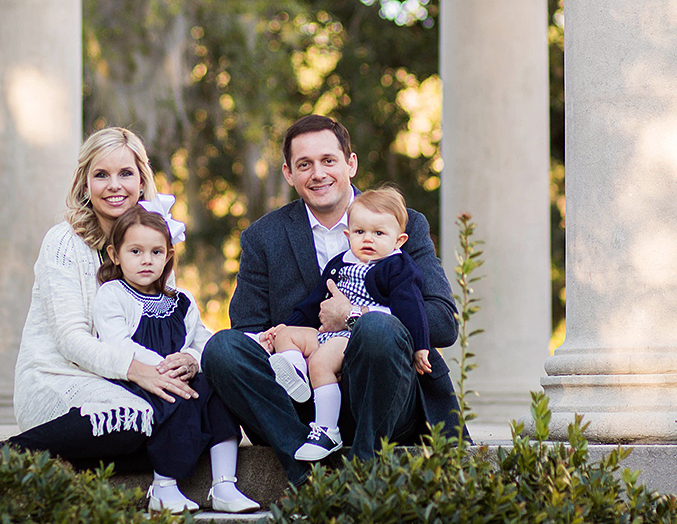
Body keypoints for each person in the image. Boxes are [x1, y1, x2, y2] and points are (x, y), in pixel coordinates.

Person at [204, 115, 462, 486]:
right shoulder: (263, 237)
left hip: (383, 393)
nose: (318, 173)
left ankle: (363, 471)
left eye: (328, 160)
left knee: (376, 328)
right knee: (222, 349)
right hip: (300, 404)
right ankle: (308, 478)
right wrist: (291, 348)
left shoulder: (402, 223)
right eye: (304, 164)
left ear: (350, 164)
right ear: (289, 173)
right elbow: (247, 328)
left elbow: (441, 322)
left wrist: (353, 318)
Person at [2, 129, 201, 478]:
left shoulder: (152, 241)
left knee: (192, 421)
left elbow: (178, 324)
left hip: (130, 382)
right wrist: (139, 371)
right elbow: (70, 340)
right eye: (101, 175)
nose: (114, 185)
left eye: (125, 173)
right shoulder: (63, 242)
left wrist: (190, 359)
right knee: (134, 419)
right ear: (84, 183)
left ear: (142, 181)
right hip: (60, 378)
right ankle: (14, 453)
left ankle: (65, 468)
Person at [92, 207, 261, 512]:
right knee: (173, 397)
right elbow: (116, 343)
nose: (147, 259)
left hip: (182, 377)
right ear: (115, 255)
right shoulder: (113, 294)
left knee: (215, 389)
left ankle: (224, 484)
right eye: (135, 251)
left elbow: (203, 342)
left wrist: (190, 360)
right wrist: (164, 368)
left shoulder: (181, 300)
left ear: (168, 256)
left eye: (156, 252)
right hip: (138, 380)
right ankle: (164, 485)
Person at [257, 186, 432, 460]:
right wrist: (284, 327)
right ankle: (296, 372)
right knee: (287, 336)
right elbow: (314, 304)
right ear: (348, 235)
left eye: (379, 233)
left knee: (321, 362)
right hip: (328, 334)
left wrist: (421, 347)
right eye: (360, 232)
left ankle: (327, 429)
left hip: (360, 338)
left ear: (399, 240)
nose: (368, 239)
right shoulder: (340, 263)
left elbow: (413, 310)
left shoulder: (398, 267)